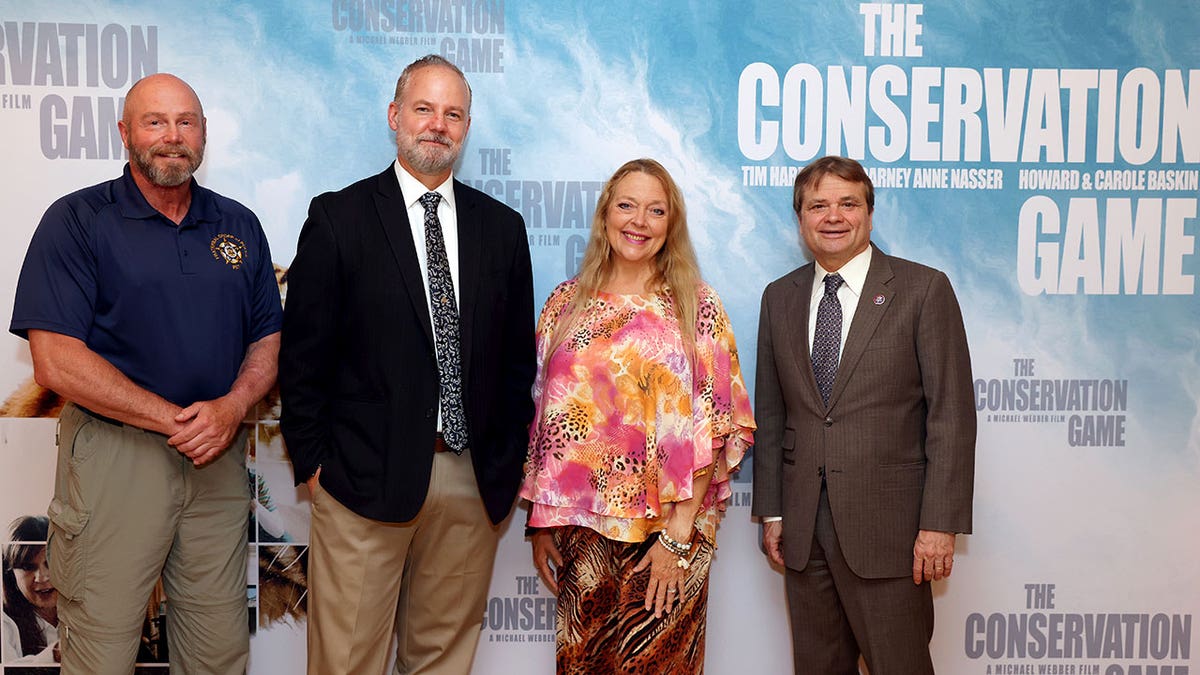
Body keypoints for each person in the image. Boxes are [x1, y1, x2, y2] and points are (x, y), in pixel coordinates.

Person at [9, 73, 282, 674]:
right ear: (125, 132)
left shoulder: (238, 225)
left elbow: (268, 337)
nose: (171, 136)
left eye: (186, 122)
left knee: (216, 653)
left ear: (203, 135)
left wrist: (233, 408)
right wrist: (172, 418)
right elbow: (54, 358)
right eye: (155, 122)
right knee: (101, 649)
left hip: (216, 457)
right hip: (115, 457)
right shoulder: (78, 220)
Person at [279, 54, 535, 675]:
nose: (437, 125)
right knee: (347, 662)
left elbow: (513, 364)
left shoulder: (502, 228)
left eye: (453, 114)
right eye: (424, 108)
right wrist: (313, 464)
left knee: (443, 661)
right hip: (361, 480)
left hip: (469, 486)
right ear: (395, 116)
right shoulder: (339, 218)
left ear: (467, 127)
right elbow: (303, 357)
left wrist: (497, 466)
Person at [522, 158, 755, 674]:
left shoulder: (697, 307)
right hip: (580, 536)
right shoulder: (564, 303)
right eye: (627, 205)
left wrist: (677, 536)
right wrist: (542, 525)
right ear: (606, 213)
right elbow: (541, 420)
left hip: (670, 534)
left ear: (671, 224)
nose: (639, 221)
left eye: (656, 210)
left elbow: (716, 428)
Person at [752, 155, 976, 673]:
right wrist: (775, 512)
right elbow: (771, 412)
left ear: (870, 215)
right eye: (818, 205)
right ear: (801, 218)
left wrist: (939, 524)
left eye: (847, 203)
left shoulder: (923, 290)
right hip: (805, 533)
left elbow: (952, 416)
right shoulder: (779, 298)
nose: (833, 216)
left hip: (893, 534)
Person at [2, 516, 58, 663]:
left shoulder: (96, 613)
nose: (42, 577)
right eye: (28, 567)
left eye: (50, 563)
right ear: (11, 575)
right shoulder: (4, 625)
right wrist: (55, 655)